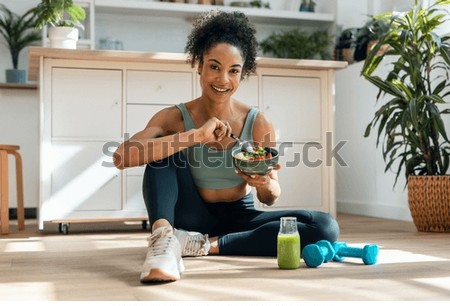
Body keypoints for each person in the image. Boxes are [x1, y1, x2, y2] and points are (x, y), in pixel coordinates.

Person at [113, 10, 339, 283]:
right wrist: (194, 136)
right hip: (189, 215)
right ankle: (163, 241)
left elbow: (271, 196)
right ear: (199, 64)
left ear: (243, 74)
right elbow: (121, 157)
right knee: (162, 152)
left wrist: (264, 183)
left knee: (324, 226)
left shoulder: (257, 122)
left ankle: (204, 245)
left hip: (238, 216)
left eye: (234, 71)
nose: (223, 80)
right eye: (214, 66)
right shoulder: (173, 117)